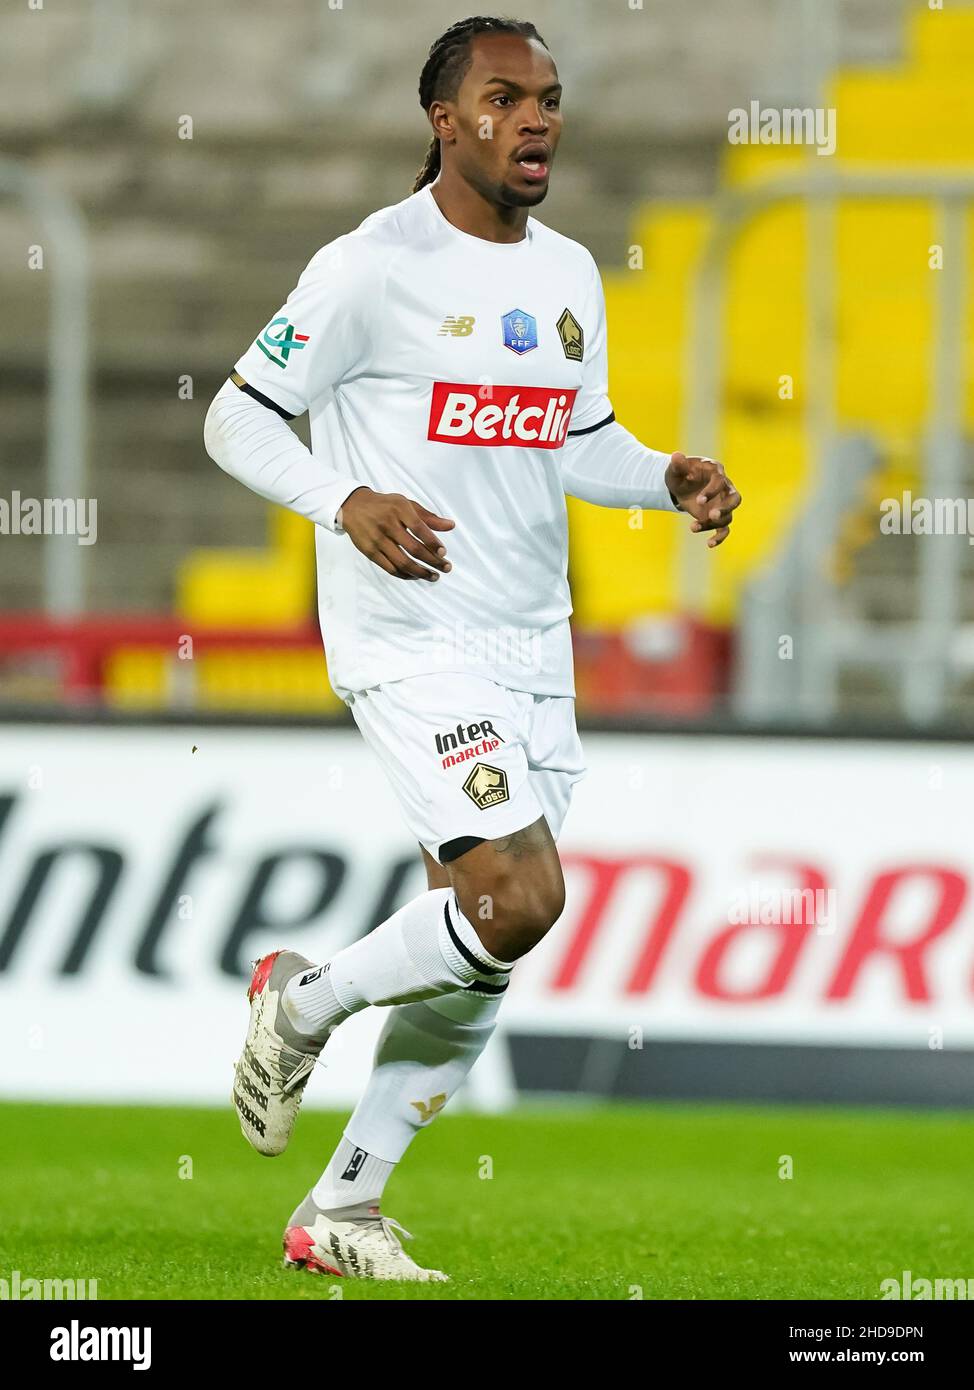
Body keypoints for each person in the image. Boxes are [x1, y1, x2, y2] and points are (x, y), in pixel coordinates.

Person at [204, 14, 741, 1284]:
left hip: (530, 641)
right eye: (507, 98)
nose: (537, 118)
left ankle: (344, 1207)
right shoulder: (368, 267)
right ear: (446, 121)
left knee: (488, 941)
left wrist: (665, 476)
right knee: (521, 895)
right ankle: (306, 1002)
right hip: (410, 639)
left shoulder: (563, 274)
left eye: (550, 97)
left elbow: (575, 441)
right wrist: (346, 500)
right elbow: (235, 415)